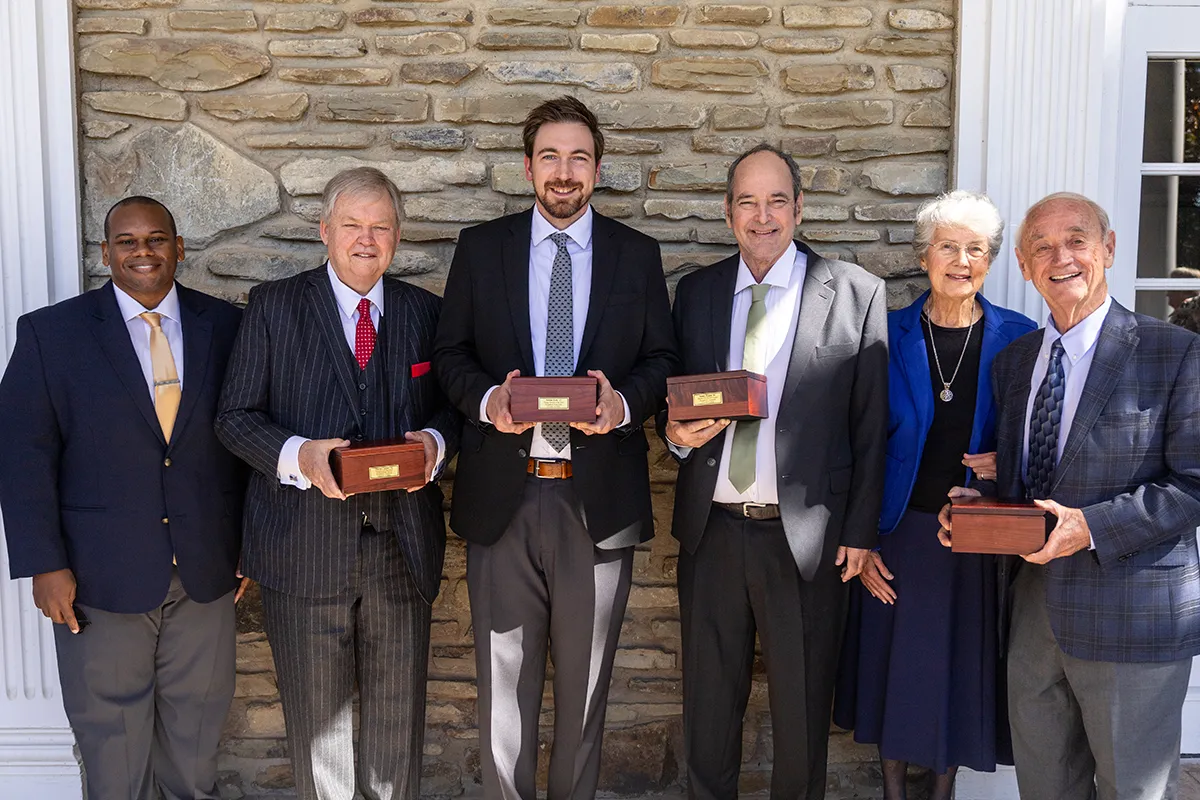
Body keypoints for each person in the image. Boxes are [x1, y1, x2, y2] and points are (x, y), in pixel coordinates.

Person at [433, 96, 678, 800]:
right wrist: (488, 401)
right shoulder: (483, 249)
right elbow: (449, 353)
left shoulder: (637, 255)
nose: (563, 173)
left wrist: (621, 403)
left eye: (578, 158)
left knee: (586, 689)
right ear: (527, 167)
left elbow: (662, 357)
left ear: (598, 169)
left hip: (595, 503)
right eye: (550, 157)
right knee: (501, 690)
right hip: (504, 499)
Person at [939, 192, 1200, 800]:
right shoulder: (1015, 362)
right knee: (1045, 788)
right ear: (1026, 268)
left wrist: (1088, 527)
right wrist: (982, 506)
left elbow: (1193, 484)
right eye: (1042, 248)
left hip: (1132, 617)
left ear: (1108, 249)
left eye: (1077, 240)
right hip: (1033, 616)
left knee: (1131, 791)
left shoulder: (1175, 353)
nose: (1062, 258)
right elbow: (1032, 482)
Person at [215, 167, 460, 800]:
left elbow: (450, 409)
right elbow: (234, 418)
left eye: (380, 226)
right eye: (351, 225)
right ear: (324, 232)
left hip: (400, 555)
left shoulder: (424, 313)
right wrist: (300, 456)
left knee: (395, 732)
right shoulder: (273, 306)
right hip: (302, 553)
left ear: (398, 237)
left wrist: (433, 444)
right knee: (319, 738)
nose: (365, 239)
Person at [660, 144, 888, 800]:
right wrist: (674, 434)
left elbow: (871, 428)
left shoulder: (854, 293)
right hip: (711, 536)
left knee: (801, 718)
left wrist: (860, 531)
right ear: (728, 212)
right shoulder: (697, 293)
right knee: (707, 714)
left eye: (777, 201)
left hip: (807, 545)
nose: (763, 217)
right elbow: (670, 403)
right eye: (748, 202)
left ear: (799, 207)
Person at [0, 196, 247, 800]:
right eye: (127, 241)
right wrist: (43, 564)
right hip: (97, 579)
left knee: (195, 744)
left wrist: (251, 546)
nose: (143, 251)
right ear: (106, 251)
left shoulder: (228, 327)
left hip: (206, 573)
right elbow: (22, 454)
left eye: (156, 239)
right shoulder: (51, 335)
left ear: (179, 247)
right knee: (113, 750)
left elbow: (249, 445)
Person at [832, 191, 1036, 800]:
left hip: (972, 540)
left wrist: (1005, 465)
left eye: (976, 249)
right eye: (948, 246)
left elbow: (1037, 441)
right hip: (899, 532)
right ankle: (895, 792)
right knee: (899, 671)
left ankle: (941, 793)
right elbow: (855, 444)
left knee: (951, 671)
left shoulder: (1019, 337)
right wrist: (860, 539)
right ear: (925, 256)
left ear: (991, 260)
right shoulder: (886, 333)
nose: (962, 259)